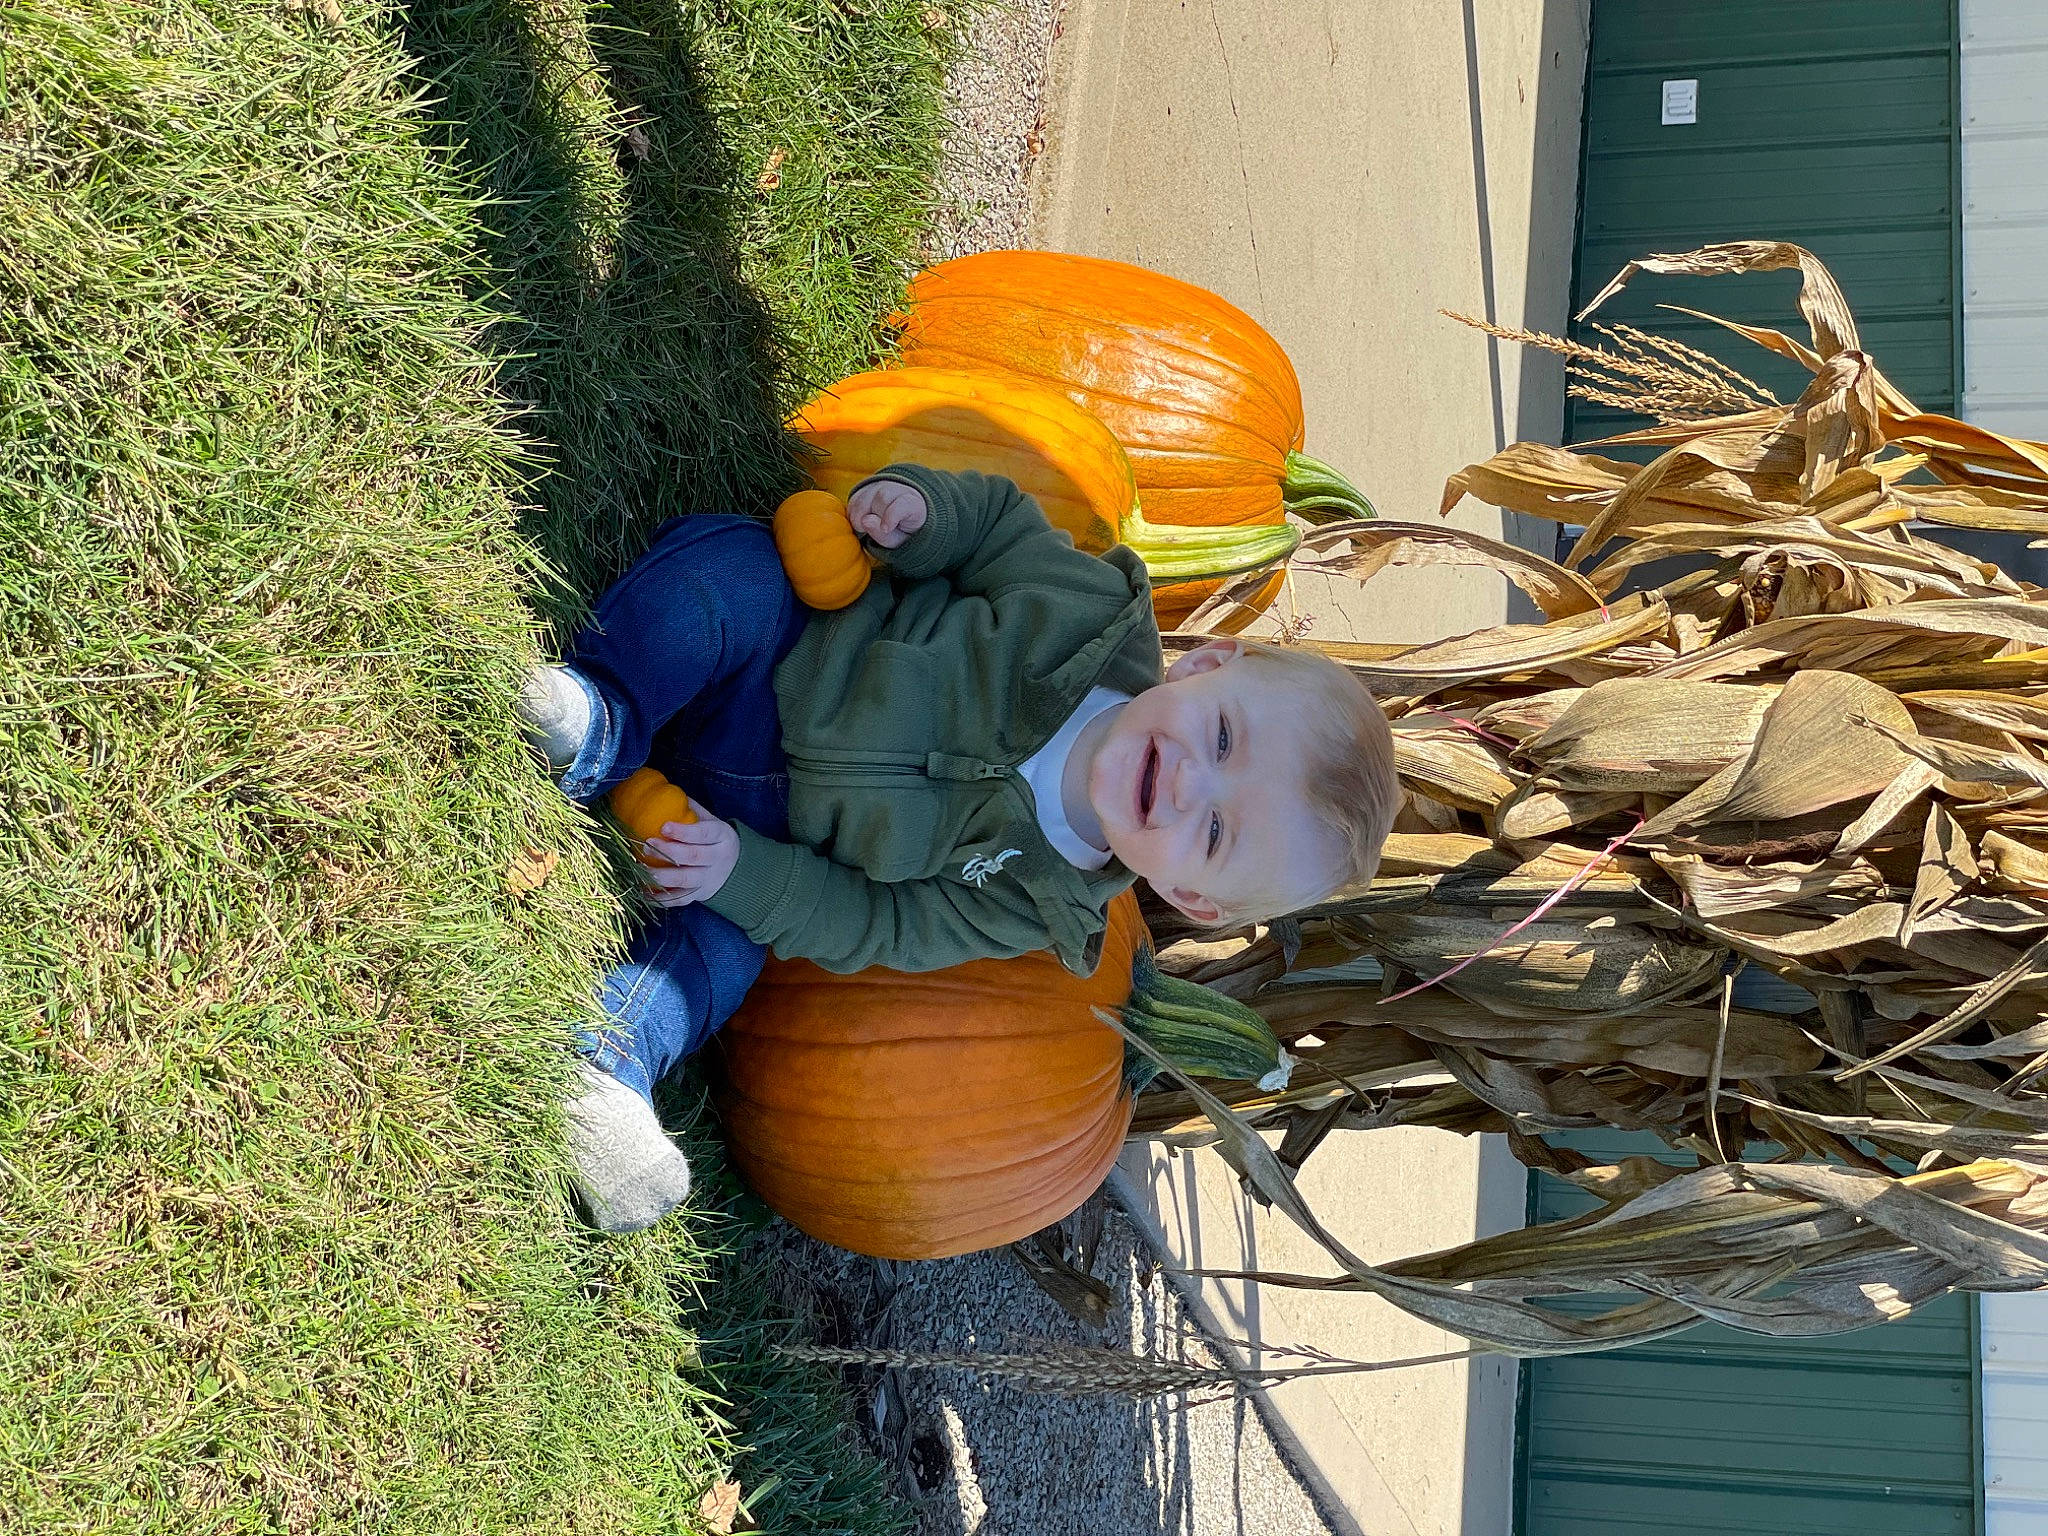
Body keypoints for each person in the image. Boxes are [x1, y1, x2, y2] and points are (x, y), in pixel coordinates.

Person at [518, 464, 1400, 1232]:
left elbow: (881, 924)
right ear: (1206, 666)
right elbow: (998, 531)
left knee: (717, 959)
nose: (1185, 786)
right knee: (729, 577)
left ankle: (605, 1068)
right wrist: (922, 513)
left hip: (760, 840)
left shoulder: (1039, 903)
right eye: (1219, 742)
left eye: (1214, 832)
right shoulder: (1091, 620)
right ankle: (601, 718)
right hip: (786, 656)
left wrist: (745, 874)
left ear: (1192, 901)